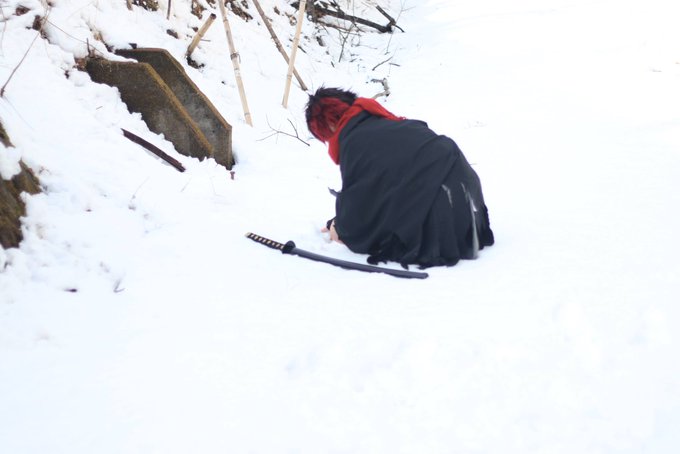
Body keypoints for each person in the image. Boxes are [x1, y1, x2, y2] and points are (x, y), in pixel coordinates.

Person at [305, 87, 494, 268]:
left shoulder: (353, 141)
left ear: (329, 126)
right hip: (470, 211)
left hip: (439, 225)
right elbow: (383, 190)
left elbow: (362, 204)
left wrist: (340, 226)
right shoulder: (388, 124)